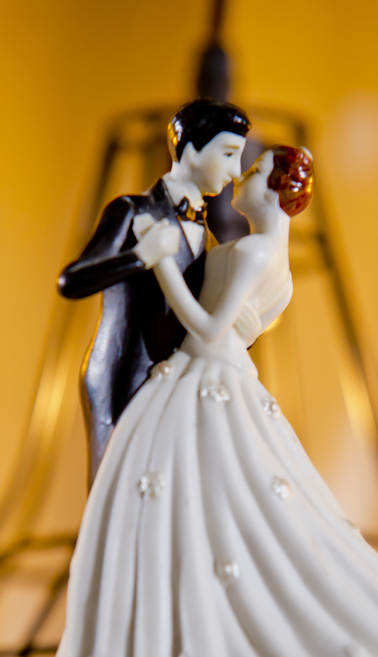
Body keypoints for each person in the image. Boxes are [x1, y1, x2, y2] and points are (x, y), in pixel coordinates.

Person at [39, 146, 378, 657]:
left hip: (202, 377)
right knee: (205, 522)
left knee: (195, 520)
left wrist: (158, 265)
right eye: (236, 160)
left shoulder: (258, 252)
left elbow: (211, 332)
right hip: (183, 379)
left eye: (254, 170)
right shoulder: (242, 245)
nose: (240, 175)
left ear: (280, 193)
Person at [58, 99, 251, 482]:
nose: (235, 171)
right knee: (116, 491)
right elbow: (72, 280)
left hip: (177, 382)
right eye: (228, 154)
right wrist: (138, 258)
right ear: (191, 151)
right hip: (123, 374)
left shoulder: (209, 235)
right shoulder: (131, 210)